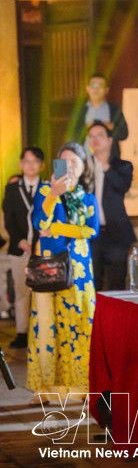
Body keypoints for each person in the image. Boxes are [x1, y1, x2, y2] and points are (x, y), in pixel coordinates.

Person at [28, 142, 100, 397]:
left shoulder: (87, 197)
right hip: (50, 266)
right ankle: (48, 388)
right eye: (64, 162)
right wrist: (51, 197)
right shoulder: (46, 190)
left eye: (74, 163)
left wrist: (58, 228)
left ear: (82, 169)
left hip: (80, 270)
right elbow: (39, 222)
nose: (69, 167)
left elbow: (92, 230)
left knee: (81, 323)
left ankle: (80, 385)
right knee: (48, 325)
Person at [3, 147, 44, 349]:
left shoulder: (47, 188)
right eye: (26, 161)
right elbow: (9, 219)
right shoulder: (12, 189)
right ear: (21, 164)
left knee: (42, 290)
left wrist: (37, 244)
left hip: (43, 249)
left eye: (35, 161)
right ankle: (22, 331)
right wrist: (21, 241)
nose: (30, 165)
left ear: (41, 165)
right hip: (19, 248)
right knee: (21, 291)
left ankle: (41, 331)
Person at [87, 121, 136, 291]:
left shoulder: (123, 166)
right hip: (90, 234)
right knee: (92, 284)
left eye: (99, 135)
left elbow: (122, 186)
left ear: (109, 140)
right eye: (91, 136)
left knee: (117, 284)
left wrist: (104, 165)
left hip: (116, 234)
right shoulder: (83, 167)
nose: (95, 140)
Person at [72, 73, 129, 159]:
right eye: (93, 85)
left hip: (109, 162)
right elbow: (72, 136)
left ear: (106, 90)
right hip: (87, 161)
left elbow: (124, 134)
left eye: (100, 86)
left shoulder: (114, 110)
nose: (96, 89)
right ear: (87, 89)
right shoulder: (80, 111)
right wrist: (86, 129)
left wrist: (112, 127)